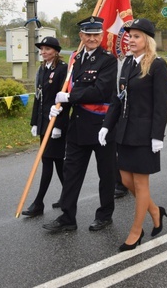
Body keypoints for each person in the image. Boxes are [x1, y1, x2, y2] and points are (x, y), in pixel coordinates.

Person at [43, 16, 117, 233]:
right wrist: (58, 108)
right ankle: (67, 217)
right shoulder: (76, 59)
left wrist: (70, 98)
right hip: (78, 126)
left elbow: (101, 91)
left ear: (101, 36)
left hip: (102, 126)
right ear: (81, 36)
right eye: (88, 34)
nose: (92, 38)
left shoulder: (108, 60)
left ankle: (104, 215)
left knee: (106, 173)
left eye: (96, 34)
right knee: (71, 171)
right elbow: (67, 89)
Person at [102, 18, 167, 250]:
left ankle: (135, 231)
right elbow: (117, 99)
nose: (131, 39)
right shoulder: (128, 63)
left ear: (147, 40)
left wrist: (158, 136)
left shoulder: (158, 65)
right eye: (130, 36)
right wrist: (106, 125)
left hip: (145, 134)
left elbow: (162, 103)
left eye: (136, 36)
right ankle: (154, 210)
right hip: (125, 132)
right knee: (126, 180)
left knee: (141, 185)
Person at [22, 36, 69, 217]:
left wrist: (58, 125)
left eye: (47, 49)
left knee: (48, 162)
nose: (43, 52)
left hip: (56, 126)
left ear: (56, 51)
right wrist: (34, 122)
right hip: (44, 124)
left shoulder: (62, 70)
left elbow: (63, 100)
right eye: (42, 49)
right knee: (56, 162)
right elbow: (39, 97)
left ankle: (38, 203)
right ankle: (68, 196)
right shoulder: (42, 69)